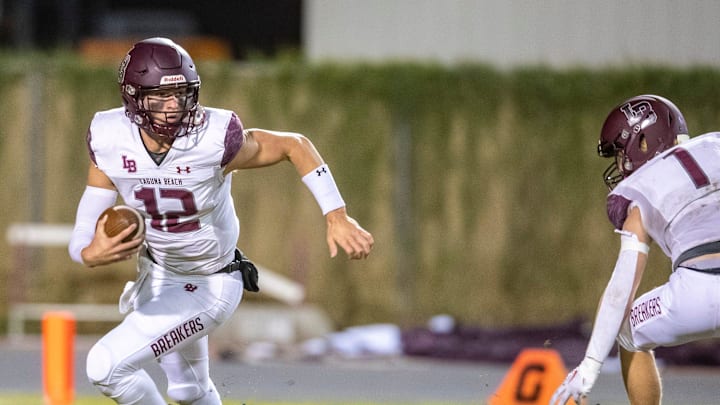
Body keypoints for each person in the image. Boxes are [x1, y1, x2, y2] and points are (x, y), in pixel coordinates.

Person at [68, 37, 374, 404]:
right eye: (159, 98)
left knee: (106, 366)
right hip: (157, 276)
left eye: (181, 95)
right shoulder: (110, 138)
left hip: (210, 283)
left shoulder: (212, 138)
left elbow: (294, 144)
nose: (172, 107)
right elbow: (86, 223)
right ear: (133, 98)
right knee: (189, 390)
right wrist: (88, 253)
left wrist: (336, 215)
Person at [550, 94, 720, 405]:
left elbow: (622, 287)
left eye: (619, 153)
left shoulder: (641, 188)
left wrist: (588, 369)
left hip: (694, 293)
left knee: (627, 333)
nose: (619, 165)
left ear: (642, 143)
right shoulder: (715, 144)